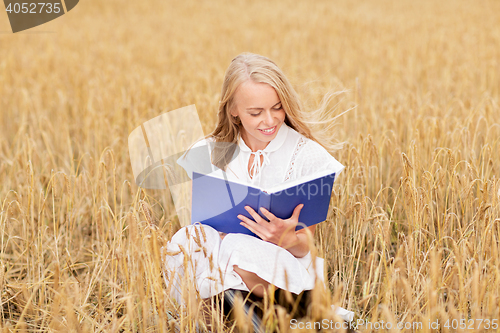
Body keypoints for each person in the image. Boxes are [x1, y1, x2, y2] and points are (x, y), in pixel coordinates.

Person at [161, 52, 353, 324]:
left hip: (279, 271)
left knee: (234, 251)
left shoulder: (307, 155)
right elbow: (201, 226)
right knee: (187, 242)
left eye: (277, 107)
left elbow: (304, 248)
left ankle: (284, 313)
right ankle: (219, 323)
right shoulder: (206, 152)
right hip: (221, 257)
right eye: (256, 112)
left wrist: (287, 238)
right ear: (233, 111)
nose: (270, 120)